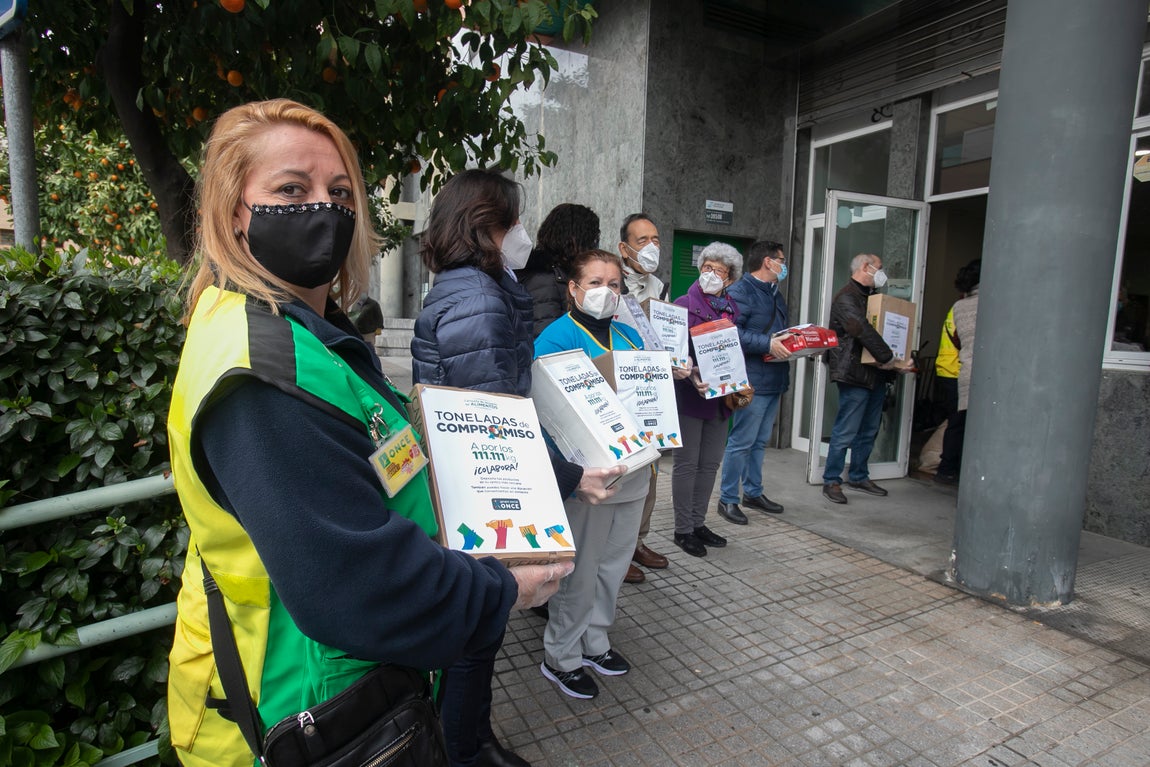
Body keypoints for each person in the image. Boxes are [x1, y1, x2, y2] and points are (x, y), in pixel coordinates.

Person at [166, 100, 570, 767]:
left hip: (347, 697)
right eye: (291, 189)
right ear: (233, 212)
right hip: (296, 722)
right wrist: (505, 589)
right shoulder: (263, 373)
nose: (323, 207)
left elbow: (383, 465)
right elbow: (352, 585)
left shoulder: (310, 335)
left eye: (341, 192)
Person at [411, 169, 621, 767]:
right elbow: (496, 423)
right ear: (487, 227)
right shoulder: (478, 299)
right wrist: (570, 475)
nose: (525, 233)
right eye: (515, 221)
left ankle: (471, 739)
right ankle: (465, 749)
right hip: (480, 487)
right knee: (477, 635)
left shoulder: (470, 288)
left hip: (464, 480)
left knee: (477, 630)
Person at [534, 249, 650, 700]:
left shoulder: (630, 336)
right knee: (580, 570)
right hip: (591, 474)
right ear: (574, 289)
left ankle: (596, 641)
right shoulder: (555, 338)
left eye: (615, 284)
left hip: (635, 468)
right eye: (596, 282)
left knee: (614, 564)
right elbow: (549, 411)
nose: (607, 292)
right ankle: (561, 655)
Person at [671, 242, 743, 557]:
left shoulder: (732, 309)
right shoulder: (682, 304)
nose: (711, 275)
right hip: (691, 394)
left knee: (710, 464)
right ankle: (683, 529)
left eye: (719, 271)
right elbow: (672, 352)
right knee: (687, 464)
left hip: (720, 399)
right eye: (707, 268)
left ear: (729, 279)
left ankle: (699, 523)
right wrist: (694, 371)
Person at [717, 240, 793, 526]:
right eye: (781, 260)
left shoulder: (775, 293)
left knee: (759, 442)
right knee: (741, 442)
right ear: (768, 261)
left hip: (774, 378)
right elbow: (730, 333)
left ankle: (753, 492)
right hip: (751, 380)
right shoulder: (740, 291)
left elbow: (777, 333)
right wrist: (768, 344)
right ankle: (728, 499)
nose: (784, 266)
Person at [821, 253, 901, 504]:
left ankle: (858, 475)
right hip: (854, 372)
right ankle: (832, 480)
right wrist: (890, 357)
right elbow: (861, 329)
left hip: (875, 373)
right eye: (879, 268)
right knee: (846, 429)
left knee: (869, 429)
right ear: (865, 267)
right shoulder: (846, 297)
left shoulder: (872, 298)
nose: (881, 273)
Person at [617, 213, 670, 583]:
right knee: (623, 473)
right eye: (642, 240)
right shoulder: (608, 283)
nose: (651, 247)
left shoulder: (661, 286)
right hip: (617, 386)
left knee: (651, 471)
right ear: (624, 248)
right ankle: (616, 551)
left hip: (651, 389)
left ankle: (637, 540)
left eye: (656, 239)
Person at [516, 203, 600, 338]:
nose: (595, 246)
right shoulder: (545, 280)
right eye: (593, 239)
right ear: (574, 239)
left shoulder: (564, 274)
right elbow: (545, 335)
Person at [935, 259, 981, 486]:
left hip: (953, 369)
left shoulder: (959, 306)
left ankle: (947, 469)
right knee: (958, 424)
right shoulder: (969, 307)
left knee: (957, 423)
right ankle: (947, 469)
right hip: (953, 369)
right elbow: (959, 339)